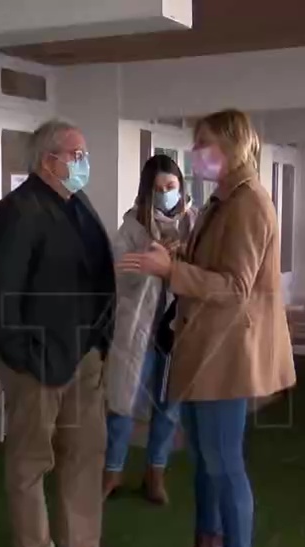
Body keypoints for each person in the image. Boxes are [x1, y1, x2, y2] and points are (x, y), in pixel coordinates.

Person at [119, 109, 295, 547]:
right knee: (204, 462)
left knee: (223, 463)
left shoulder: (249, 203)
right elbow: (215, 270)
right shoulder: (226, 200)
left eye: (206, 144)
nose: (197, 154)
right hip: (205, 348)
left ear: (236, 146)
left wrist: (170, 269)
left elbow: (235, 286)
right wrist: (174, 257)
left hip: (227, 353)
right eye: (197, 144)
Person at [0, 119, 125, 547]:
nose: (83, 163)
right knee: (32, 455)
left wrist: (100, 342)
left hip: (84, 351)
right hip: (38, 357)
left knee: (85, 449)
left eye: (83, 155)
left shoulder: (78, 205)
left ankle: (81, 544)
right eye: (76, 155)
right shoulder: (18, 210)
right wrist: (22, 354)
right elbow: (2, 292)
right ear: (48, 160)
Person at [102, 154, 197, 505]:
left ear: (181, 187)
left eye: (171, 187)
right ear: (146, 191)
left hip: (176, 330)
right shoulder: (132, 227)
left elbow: (203, 271)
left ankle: (155, 472)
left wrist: (176, 262)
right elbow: (118, 273)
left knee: (168, 404)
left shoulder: (195, 225)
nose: (165, 195)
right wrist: (151, 263)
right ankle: (113, 470)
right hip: (137, 328)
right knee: (122, 401)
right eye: (157, 189)